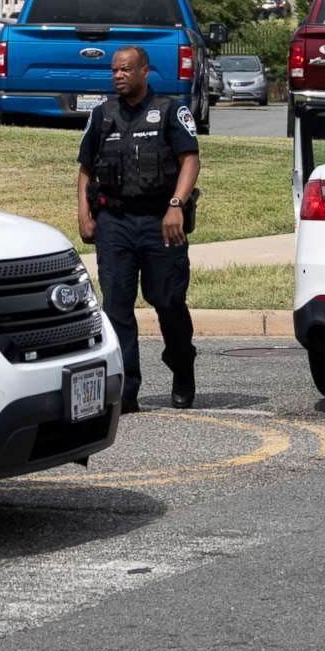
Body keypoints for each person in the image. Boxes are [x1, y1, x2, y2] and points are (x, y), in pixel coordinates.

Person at [77, 44, 201, 411]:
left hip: (161, 221)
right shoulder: (101, 116)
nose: (118, 75)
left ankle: (182, 365)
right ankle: (126, 388)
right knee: (116, 306)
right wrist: (84, 213)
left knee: (168, 301)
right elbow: (85, 170)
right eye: (114, 70)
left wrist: (176, 205)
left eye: (126, 69)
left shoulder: (169, 111)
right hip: (115, 221)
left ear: (145, 72)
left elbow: (190, 160)